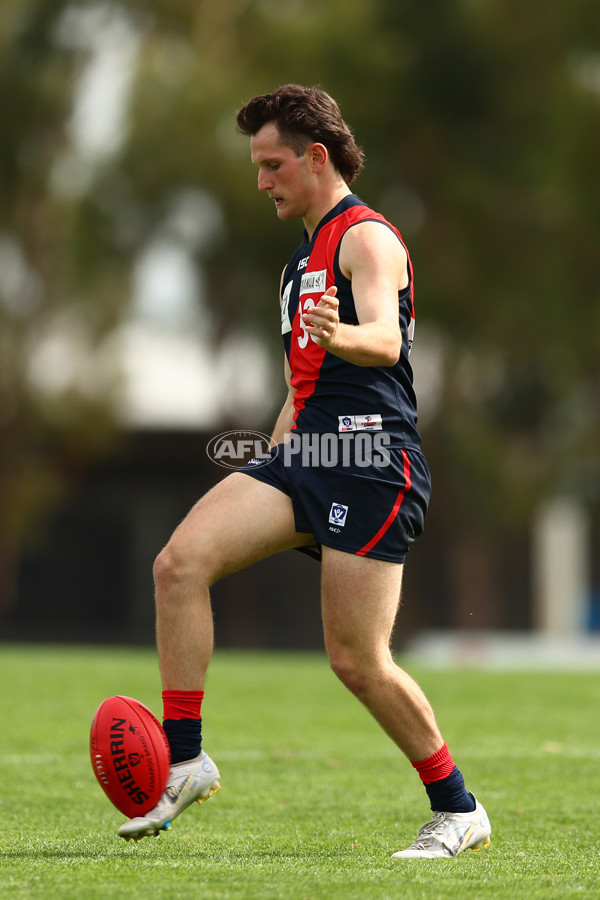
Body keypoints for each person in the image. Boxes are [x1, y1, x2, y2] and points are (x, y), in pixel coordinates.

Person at [117, 84, 491, 859]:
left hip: (370, 462)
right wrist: (275, 456)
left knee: (356, 660)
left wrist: (343, 332)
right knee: (178, 564)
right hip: (307, 456)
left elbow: (385, 341)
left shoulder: (369, 239)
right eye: (257, 166)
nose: (262, 182)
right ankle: (184, 760)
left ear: (316, 158)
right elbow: (302, 384)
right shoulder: (298, 263)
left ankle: (458, 809)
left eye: (273, 164)